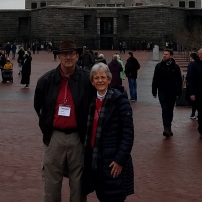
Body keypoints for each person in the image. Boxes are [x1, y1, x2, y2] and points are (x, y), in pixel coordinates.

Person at [34, 39, 95, 202]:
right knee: (51, 185)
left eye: (72, 54)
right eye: (65, 54)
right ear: (59, 56)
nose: (69, 57)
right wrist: (47, 127)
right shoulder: (45, 81)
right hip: (54, 137)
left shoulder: (87, 79)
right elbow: (39, 106)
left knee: (78, 187)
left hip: (78, 137)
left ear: (77, 57)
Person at [83, 63, 134, 202]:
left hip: (112, 162)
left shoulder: (120, 100)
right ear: (92, 81)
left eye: (103, 77)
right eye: (96, 78)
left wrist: (119, 160)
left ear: (109, 79)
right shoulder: (91, 101)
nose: (100, 80)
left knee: (114, 197)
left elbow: (128, 134)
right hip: (97, 161)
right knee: (103, 196)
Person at [152, 49, 182, 138]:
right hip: (162, 91)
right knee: (164, 108)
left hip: (172, 92)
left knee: (170, 109)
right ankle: (166, 128)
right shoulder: (159, 66)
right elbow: (155, 79)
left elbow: (179, 80)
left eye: (166, 54)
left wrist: (179, 91)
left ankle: (169, 125)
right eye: (164, 54)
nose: (164, 55)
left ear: (171, 56)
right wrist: (154, 91)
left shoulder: (175, 67)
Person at [185, 52, 198, 119]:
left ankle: (193, 113)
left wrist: (186, 80)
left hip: (193, 85)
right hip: (196, 85)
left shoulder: (191, 65)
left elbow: (189, 74)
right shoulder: (197, 64)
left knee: (193, 100)